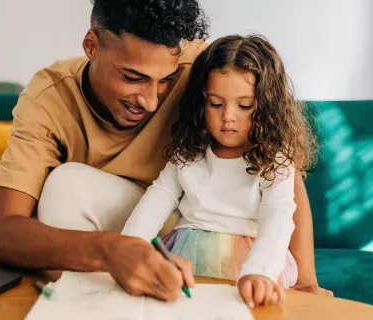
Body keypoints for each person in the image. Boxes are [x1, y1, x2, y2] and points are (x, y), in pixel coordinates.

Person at [0, 0, 332, 302]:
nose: (152, 101)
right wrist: (110, 249)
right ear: (91, 45)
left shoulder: (202, 68)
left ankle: (80, 301)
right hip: (98, 227)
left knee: (66, 183)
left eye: (165, 81)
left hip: (171, 218)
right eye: (133, 78)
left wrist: (306, 280)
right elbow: (3, 228)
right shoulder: (50, 94)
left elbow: (280, 169)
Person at [122, 34, 320, 307]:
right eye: (216, 104)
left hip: (251, 260)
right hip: (187, 252)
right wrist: (129, 246)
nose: (228, 116)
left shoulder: (274, 159)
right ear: (201, 102)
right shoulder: (188, 151)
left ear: (266, 106)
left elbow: (279, 213)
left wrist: (260, 270)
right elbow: (158, 197)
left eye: (244, 106)